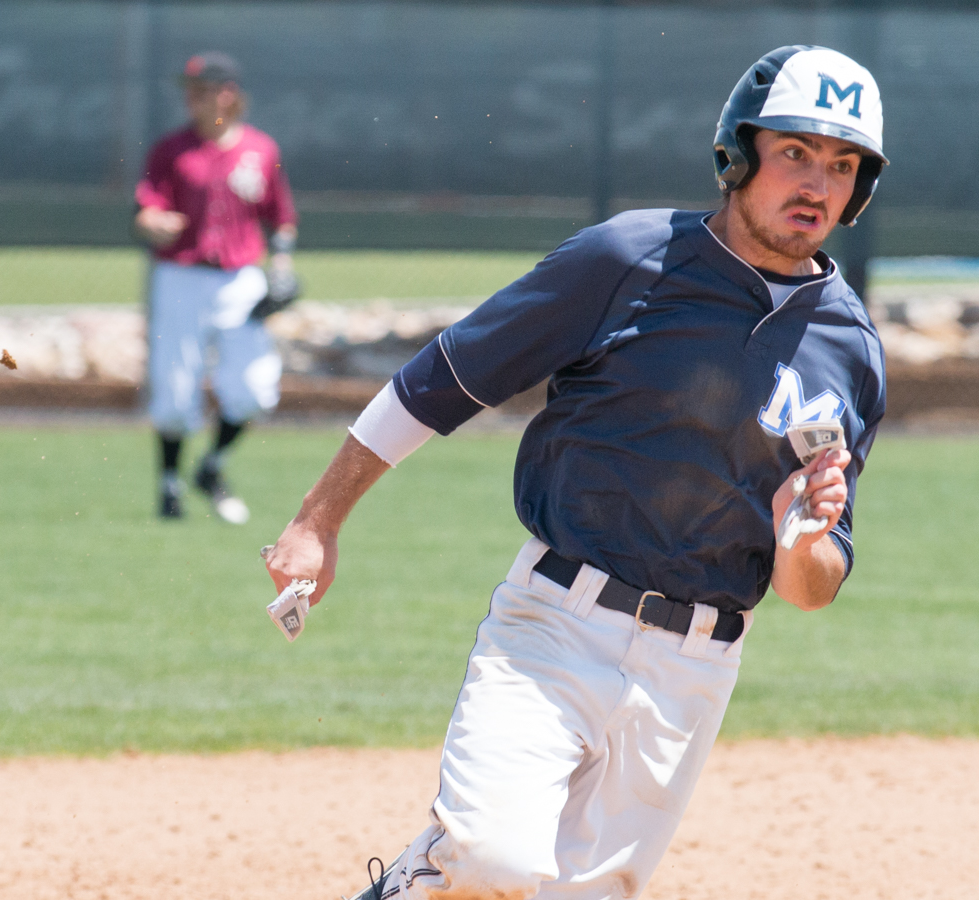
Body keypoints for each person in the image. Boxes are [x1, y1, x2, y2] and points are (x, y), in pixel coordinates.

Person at [262, 45, 887, 899]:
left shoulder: (852, 349)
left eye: (842, 165)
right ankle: (415, 880)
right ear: (739, 153)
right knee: (494, 862)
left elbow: (812, 588)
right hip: (557, 627)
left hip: (693, 674)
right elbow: (445, 379)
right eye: (795, 152)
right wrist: (317, 520)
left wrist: (802, 538)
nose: (816, 183)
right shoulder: (630, 258)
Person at [135, 51, 297, 523]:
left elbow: (281, 217)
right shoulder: (171, 150)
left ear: (228, 94)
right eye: (189, 90)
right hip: (180, 275)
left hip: (239, 278)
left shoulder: (260, 150)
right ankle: (169, 485)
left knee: (253, 389)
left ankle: (211, 466)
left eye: (202, 90)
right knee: (174, 386)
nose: (192, 98)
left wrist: (282, 266)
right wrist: (152, 222)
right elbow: (145, 209)